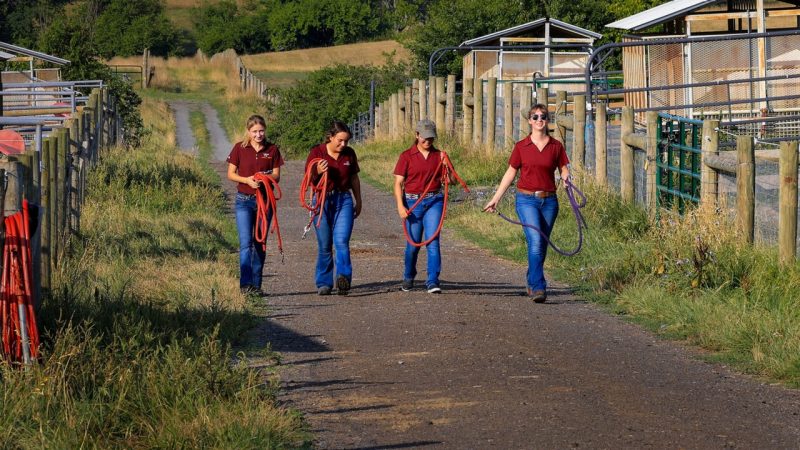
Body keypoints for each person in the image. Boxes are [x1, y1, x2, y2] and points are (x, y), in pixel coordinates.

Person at [483, 105, 570, 303]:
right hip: (526, 200)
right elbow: (510, 173)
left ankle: (532, 280)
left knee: (541, 245)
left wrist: (566, 179)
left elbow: (563, 168)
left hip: (549, 201)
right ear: (530, 121)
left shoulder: (556, 146)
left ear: (547, 121)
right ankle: (539, 287)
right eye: (535, 117)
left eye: (543, 117)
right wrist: (496, 199)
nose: (540, 120)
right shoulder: (521, 147)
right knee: (536, 241)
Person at [226, 114, 284, 297]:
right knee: (246, 244)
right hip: (244, 200)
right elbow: (231, 174)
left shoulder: (272, 149)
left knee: (260, 243)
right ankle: (245, 284)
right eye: (255, 131)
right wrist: (247, 180)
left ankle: (257, 285)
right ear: (248, 132)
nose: (259, 135)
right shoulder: (239, 148)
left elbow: (277, 175)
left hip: (265, 202)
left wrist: (264, 178)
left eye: (261, 131)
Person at [305, 121, 362, 296]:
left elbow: (354, 178)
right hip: (321, 199)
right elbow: (308, 179)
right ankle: (324, 282)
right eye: (340, 140)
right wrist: (318, 172)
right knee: (324, 244)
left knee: (341, 242)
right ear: (330, 137)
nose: (343, 145)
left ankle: (343, 277)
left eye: (346, 141)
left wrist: (358, 200)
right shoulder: (317, 152)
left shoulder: (349, 154)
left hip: (343, 199)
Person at [393, 119, 448, 294]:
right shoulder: (406, 156)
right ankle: (409, 276)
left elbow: (450, 181)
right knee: (413, 244)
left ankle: (432, 280)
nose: (428, 142)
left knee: (432, 241)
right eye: (424, 138)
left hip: (434, 201)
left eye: (431, 138)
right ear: (416, 135)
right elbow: (397, 183)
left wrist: (446, 166)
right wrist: (400, 206)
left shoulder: (439, 155)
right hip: (412, 202)